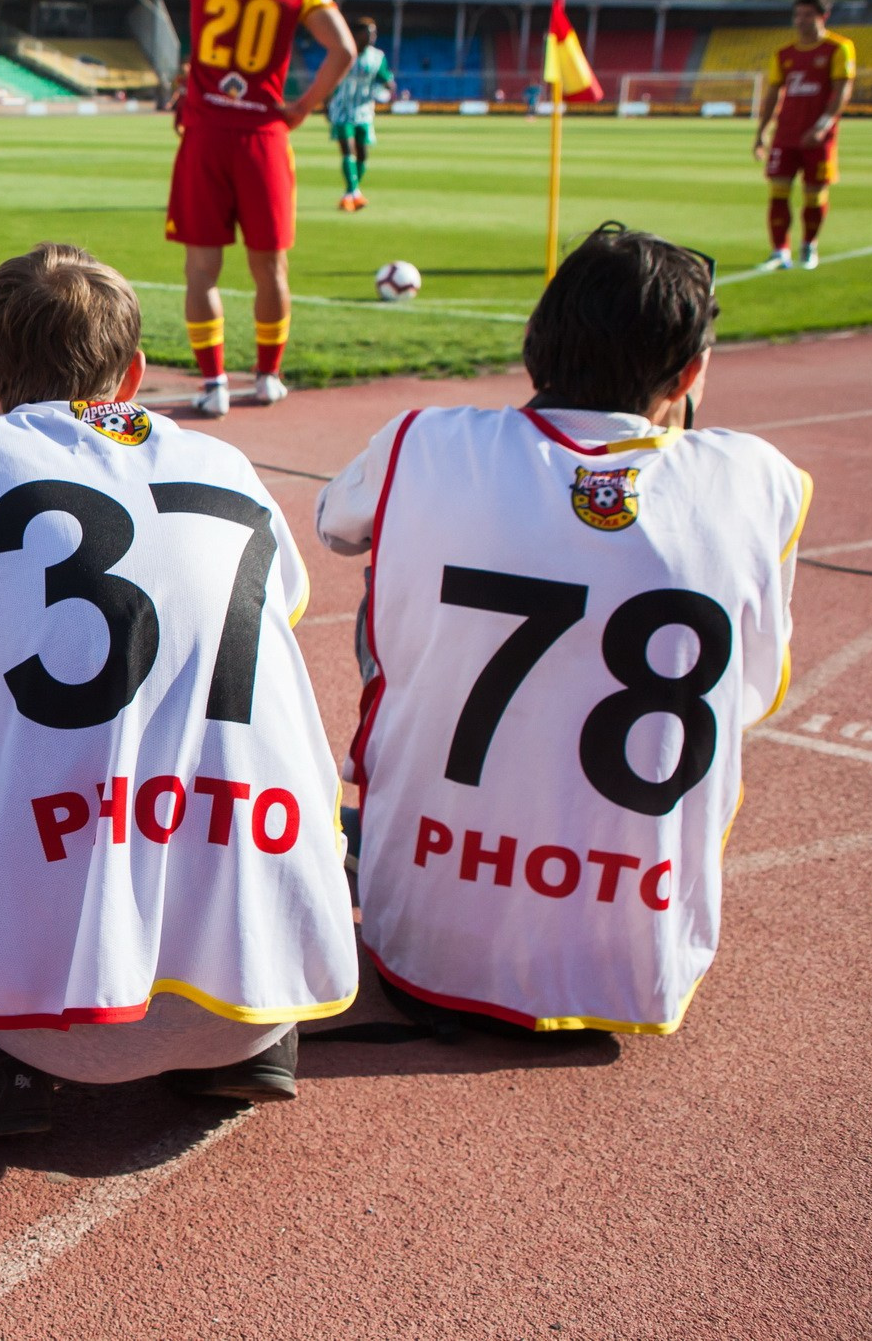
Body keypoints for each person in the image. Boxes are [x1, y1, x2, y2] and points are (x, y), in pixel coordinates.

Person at [0, 241, 357, 1136]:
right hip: (268, 986)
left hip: (50, 1030)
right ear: (134, 374)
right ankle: (245, 1046)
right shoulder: (227, 466)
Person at [317, 226, 807, 1037]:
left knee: (395, 564)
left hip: (422, 945)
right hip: (635, 956)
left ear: (534, 344)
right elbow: (754, 691)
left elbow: (335, 523)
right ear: (689, 373)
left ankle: (415, 823)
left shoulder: (423, 440)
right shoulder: (756, 479)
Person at [146, 0, 357, 418]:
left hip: (207, 132)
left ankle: (213, 385)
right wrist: (300, 108)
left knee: (201, 269)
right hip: (264, 136)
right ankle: (267, 377)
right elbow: (342, 49)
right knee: (271, 267)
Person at [752, 0, 855, 272]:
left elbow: (842, 89)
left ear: (823, 16)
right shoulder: (784, 54)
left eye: (807, 15)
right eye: (798, 15)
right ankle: (779, 252)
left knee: (814, 194)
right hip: (785, 135)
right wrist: (761, 132)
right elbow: (773, 94)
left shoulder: (838, 48)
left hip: (818, 137)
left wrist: (823, 125)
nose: (801, 20)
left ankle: (809, 246)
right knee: (778, 193)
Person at [326, 16, 393, 211]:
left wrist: (387, 89)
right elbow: (329, 79)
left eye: (374, 33)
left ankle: (350, 192)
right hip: (342, 109)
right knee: (348, 150)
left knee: (362, 154)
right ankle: (354, 194)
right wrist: (326, 103)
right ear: (356, 34)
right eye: (368, 32)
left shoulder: (377, 57)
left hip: (364, 112)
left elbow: (386, 80)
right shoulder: (344, 53)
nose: (373, 36)